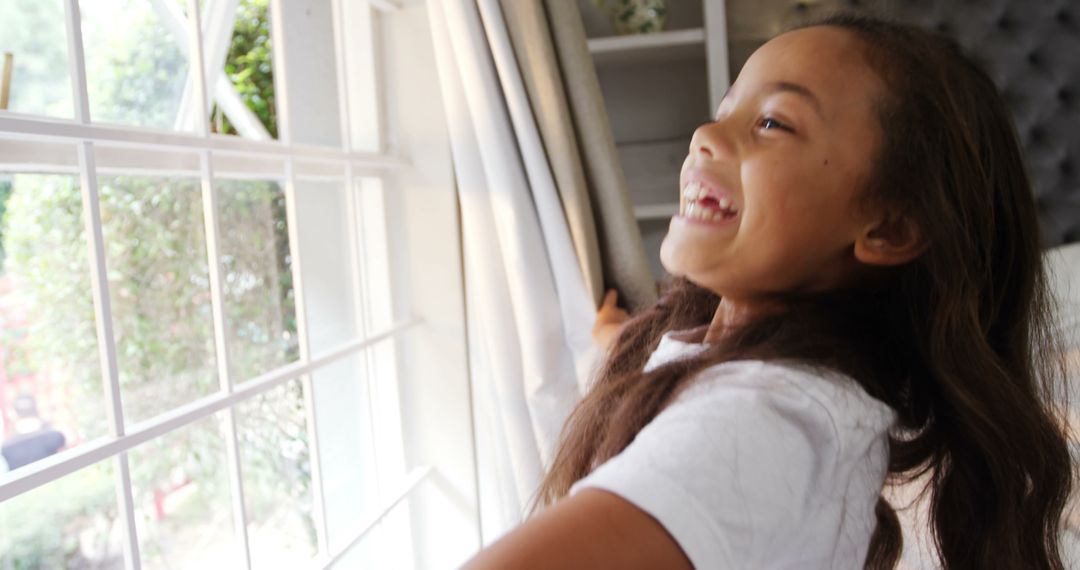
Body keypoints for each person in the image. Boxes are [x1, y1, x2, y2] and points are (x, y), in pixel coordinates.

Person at [463, 11, 1075, 570]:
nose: (706, 132)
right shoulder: (751, 364)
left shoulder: (768, 422)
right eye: (726, 108)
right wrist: (614, 338)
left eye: (772, 123)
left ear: (887, 227)